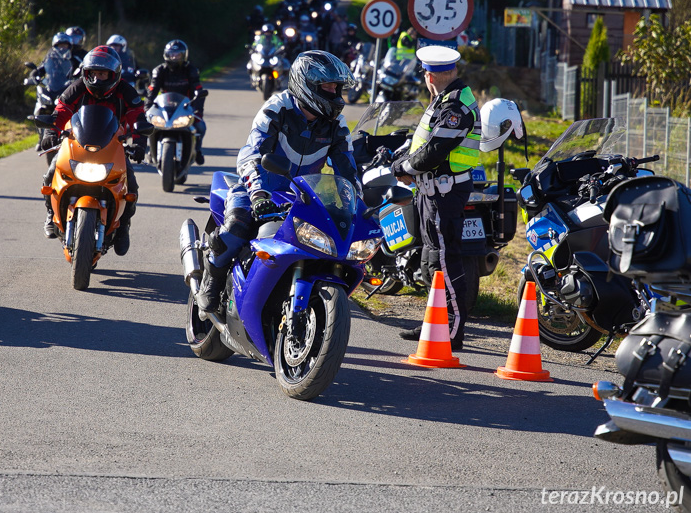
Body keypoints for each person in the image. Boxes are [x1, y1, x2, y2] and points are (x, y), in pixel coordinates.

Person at [195, 50, 359, 313]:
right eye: (327, 86)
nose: (334, 92)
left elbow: (347, 169)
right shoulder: (277, 108)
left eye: (336, 87)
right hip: (259, 189)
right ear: (306, 85)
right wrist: (258, 194)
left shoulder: (336, 123)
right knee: (236, 228)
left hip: (304, 196)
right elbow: (251, 154)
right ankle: (211, 282)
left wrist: (358, 203)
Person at [390, 46, 482, 351]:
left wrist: (405, 167)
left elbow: (435, 150)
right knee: (432, 260)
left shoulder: (456, 108)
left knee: (446, 258)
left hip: (445, 191)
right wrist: (402, 158)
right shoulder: (444, 101)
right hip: (432, 190)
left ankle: (453, 330)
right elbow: (424, 142)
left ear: (429, 75)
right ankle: (436, 322)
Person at [41, 46, 149, 254]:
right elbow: (61, 110)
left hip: (113, 146)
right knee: (51, 173)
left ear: (113, 74)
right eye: (94, 73)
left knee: (131, 187)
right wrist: (50, 133)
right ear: (86, 73)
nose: (98, 79)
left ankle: (124, 226)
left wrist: (139, 144)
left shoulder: (126, 91)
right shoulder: (77, 87)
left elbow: (138, 117)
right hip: (77, 143)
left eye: (103, 74)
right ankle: (50, 214)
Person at [146, 39, 208, 165]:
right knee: (148, 126)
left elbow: (198, 90)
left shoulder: (191, 70)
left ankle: (197, 150)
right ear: (166, 55)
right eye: (171, 54)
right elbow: (152, 92)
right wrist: (147, 109)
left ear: (184, 55)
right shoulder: (159, 71)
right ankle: (150, 151)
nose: (174, 57)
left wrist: (198, 112)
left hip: (185, 108)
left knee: (201, 127)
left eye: (177, 54)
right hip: (164, 108)